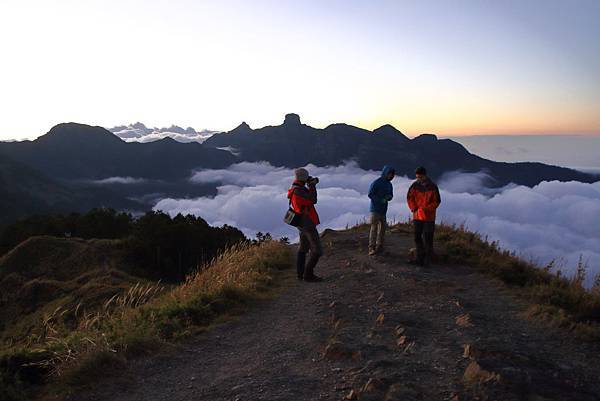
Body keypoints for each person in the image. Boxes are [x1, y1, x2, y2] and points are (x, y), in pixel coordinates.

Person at [288, 168, 323, 282]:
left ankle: (300, 274)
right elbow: (313, 200)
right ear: (303, 177)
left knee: (303, 248)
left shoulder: (296, 188)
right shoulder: (298, 191)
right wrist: (312, 186)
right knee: (317, 250)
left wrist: (309, 185)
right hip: (307, 223)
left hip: (301, 222)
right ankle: (308, 274)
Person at [406, 166, 441, 267]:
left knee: (428, 238)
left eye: (420, 177)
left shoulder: (433, 187)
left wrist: (425, 209)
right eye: (417, 177)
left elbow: (437, 201)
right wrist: (414, 209)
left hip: (429, 217)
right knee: (417, 237)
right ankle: (419, 259)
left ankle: (427, 261)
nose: (418, 179)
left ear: (425, 176)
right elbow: (409, 198)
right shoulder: (414, 186)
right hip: (417, 216)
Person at [367, 165, 395, 255]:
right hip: (375, 209)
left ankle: (380, 246)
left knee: (382, 229)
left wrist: (389, 197)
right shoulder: (376, 182)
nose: (390, 176)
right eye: (389, 174)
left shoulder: (389, 184)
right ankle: (371, 247)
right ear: (385, 173)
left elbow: (391, 194)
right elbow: (370, 194)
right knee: (374, 228)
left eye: (392, 174)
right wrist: (379, 200)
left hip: (383, 210)